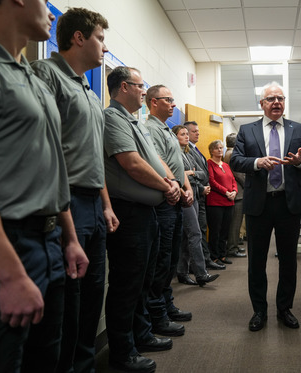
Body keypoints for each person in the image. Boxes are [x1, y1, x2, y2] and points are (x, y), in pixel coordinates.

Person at [0, 1, 87, 371]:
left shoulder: (30, 75)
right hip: (3, 247)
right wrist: (9, 274)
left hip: (50, 241)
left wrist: (69, 236)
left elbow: (50, 165)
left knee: (49, 358)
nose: (50, 11)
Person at [30, 8, 117, 372]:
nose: (103, 47)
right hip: (66, 205)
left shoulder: (89, 90)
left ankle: (86, 366)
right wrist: (67, 225)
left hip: (93, 205)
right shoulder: (46, 75)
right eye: (99, 38)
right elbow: (46, 152)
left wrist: (107, 205)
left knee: (92, 296)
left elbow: (93, 157)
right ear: (78, 37)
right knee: (67, 303)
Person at [103, 66, 180, 372]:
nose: (143, 91)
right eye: (139, 86)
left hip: (146, 212)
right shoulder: (112, 118)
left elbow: (154, 160)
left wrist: (171, 183)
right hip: (128, 213)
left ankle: (141, 335)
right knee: (127, 283)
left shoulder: (134, 122)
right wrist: (166, 186)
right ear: (124, 87)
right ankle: (122, 353)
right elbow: (132, 164)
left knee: (143, 280)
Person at [230, 81, 301, 331]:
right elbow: (236, 160)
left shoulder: (298, 129)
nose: (276, 102)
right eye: (271, 99)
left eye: (280, 98)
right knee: (256, 261)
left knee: (289, 260)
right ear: (262, 104)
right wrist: (257, 162)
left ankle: (284, 309)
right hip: (259, 205)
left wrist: (300, 162)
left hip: (289, 205)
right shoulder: (247, 130)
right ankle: (259, 311)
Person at [144, 84, 193, 337]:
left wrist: (186, 186)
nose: (173, 104)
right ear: (153, 102)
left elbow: (178, 164)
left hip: (175, 197)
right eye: (168, 99)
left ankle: (166, 304)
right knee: (162, 260)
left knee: (171, 257)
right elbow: (158, 161)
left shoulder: (167, 130)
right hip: (164, 201)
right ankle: (157, 315)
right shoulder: (149, 128)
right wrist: (176, 185)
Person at [173, 125, 220, 287]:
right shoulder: (175, 153)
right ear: (175, 137)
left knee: (187, 237)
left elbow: (202, 174)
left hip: (195, 192)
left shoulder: (188, 153)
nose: (186, 137)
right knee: (194, 233)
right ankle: (201, 273)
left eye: (187, 134)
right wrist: (191, 174)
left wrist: (191, 173)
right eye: (182, 134)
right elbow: (177, 175)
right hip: (185, 195)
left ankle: (182, 272)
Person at [185, 121, 225, 271]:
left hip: (201, 195)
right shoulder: (187, 151)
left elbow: (201, 173)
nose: (198, 133)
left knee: (201, 230)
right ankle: (201, 262)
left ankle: (204, 260)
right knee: (196, 231)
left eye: (198, 131)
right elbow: (189, 174)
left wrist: (198, 176)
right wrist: (201, 186)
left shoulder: (195, 150)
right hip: (195, 194)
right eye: (194, 131)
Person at [207, 140, 237, 265]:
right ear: (211, 151)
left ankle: (222, 255)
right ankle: (214, 256)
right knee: (215, 231)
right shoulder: (209, 163)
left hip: (229, 202)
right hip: (215, 203)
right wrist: (226, 192)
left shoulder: (225, 165)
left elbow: (233, 180)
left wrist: (234, 191)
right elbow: (212, 181)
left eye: (221, 148)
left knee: (225, 230)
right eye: (217, 148)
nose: (220, 150)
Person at [224, 133, 246, 258]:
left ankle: (235, 245)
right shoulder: (232, 153)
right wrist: (247, 185)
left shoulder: (228, 152)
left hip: (236, 191)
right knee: (235, 223)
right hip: (238, 192)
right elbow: (238, 174)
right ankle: (232, 248)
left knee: (236, 222)